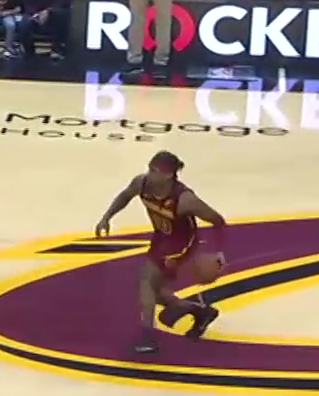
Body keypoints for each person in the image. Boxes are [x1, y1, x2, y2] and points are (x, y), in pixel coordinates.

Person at [93, 151, 228, 354]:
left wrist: (219, 252)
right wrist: (106, 217)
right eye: (149, 168)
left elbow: (218, 220)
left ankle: (147, 336)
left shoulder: (185, 199)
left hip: (182, 243)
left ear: (168, 175)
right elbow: (125, 196)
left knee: (146, 280)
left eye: (154, 171)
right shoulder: (141, 183)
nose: (149, 174)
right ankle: (199, 312)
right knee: (153, 293)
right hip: (161, 238)